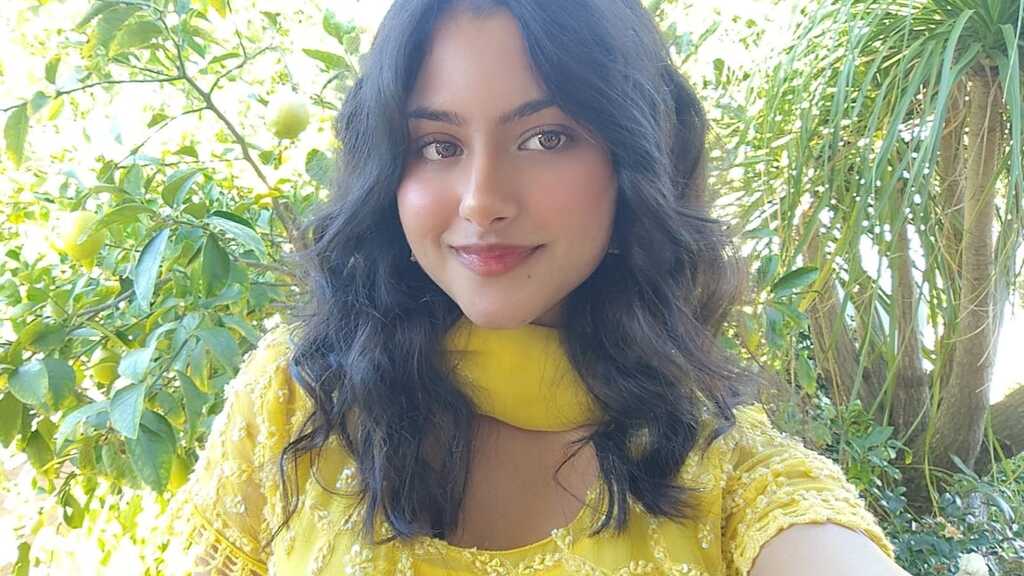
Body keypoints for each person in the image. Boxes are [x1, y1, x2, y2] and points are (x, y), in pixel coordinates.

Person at [156, 1, 911, 574]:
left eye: (546, 138)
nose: (482, 201)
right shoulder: (299, 397)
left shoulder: (729, 473)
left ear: (633, 162)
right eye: (438, 145)